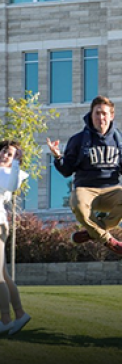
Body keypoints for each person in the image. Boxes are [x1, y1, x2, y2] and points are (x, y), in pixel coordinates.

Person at [47, 96, 122, 256]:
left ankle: (92, 232)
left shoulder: (121, 141)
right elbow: (66, 171)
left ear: (112, 116)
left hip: (110, 190)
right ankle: (107, 239)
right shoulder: (78, 140)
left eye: (104, 113)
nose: (100, 117)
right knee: (77, 203)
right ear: (91, 115)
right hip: (86, 189)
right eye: (97, 113)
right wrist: (57, 157)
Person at [0, 141, 31, 335]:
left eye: (10, 154)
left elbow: (12, 185)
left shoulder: (6, 173)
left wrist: (17, 165)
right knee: (3, 274)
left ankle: (5, 319)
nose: (5, 156)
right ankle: (19, 314)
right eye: (4, 151)